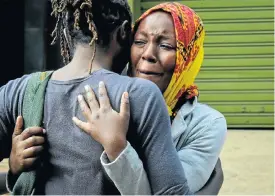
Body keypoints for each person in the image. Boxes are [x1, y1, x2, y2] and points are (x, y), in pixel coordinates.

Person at [0, 0, 191, 194]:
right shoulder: (141, 96)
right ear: (124, 32)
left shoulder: (19, 91)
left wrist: (15, 167)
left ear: (69, 30)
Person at [73, 2, 227, 194]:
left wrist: (117, 148)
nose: (148, 54)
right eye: (139, 42)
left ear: (189, 57)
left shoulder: (207, 124)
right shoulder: (100, 100)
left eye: (165, 45)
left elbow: (170, 191)